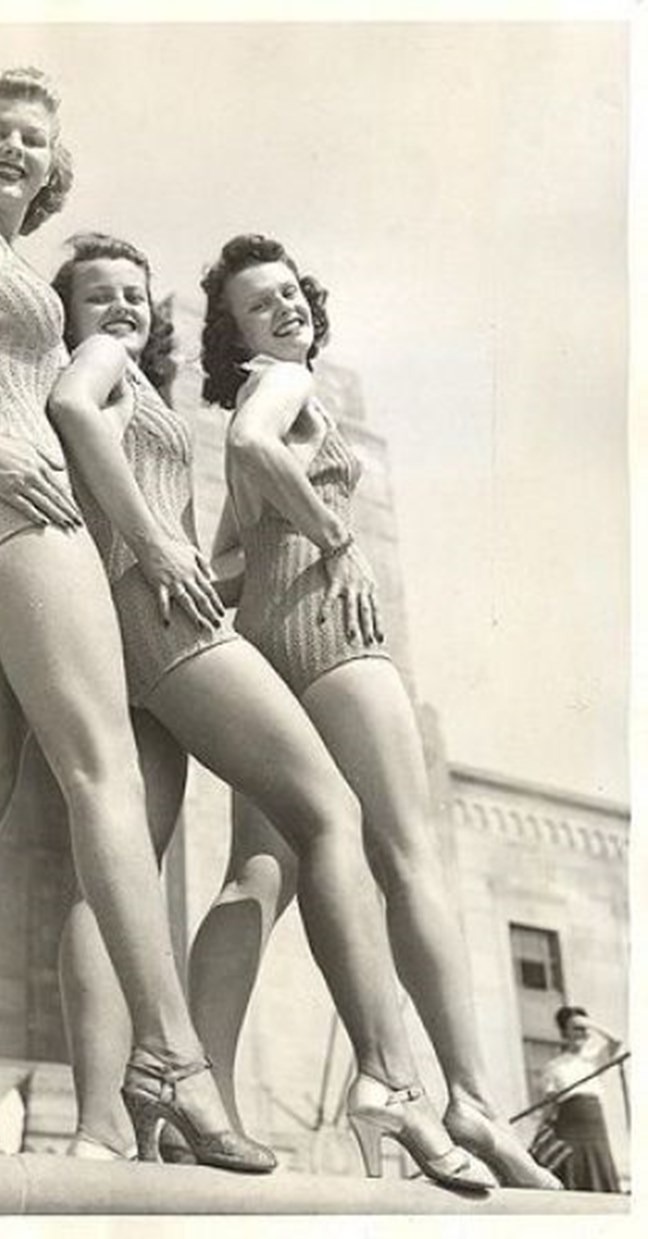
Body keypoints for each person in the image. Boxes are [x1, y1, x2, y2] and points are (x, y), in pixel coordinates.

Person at [0, 70, 273, 1173]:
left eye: (35, 138)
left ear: (54, 165)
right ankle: (169, 1052)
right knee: (102, 772)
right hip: (11, 511)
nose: (17, 150)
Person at [47, 232, 494, 1190]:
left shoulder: (141, 386)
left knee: (126, 862)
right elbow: (112, 419)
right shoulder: (132, 370)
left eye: (136, 294)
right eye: (99, 296)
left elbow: (225, 546)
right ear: (67, 315)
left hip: (127, 622)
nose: (123, 309)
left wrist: (196, 564)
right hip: (180, 619)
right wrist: (326, 539)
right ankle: (393, 1077)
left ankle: (108, 1122)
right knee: (333, 815)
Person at [191, 232, 562, 1190]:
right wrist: (335, 538)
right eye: (259, 305)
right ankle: (471, 1098)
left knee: (257, 872)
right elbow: (253, 445)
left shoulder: (259, 391)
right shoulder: (283, 385)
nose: (284, 309)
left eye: (289, 293)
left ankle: (198, 1094)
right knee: (408, 855)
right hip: (331, 629)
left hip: (267, 643)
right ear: (237, 336)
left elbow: (229, 556)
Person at [540, 1006, 623, 1192]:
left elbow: (617, 1040)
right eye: (575, 1028)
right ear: (564, 1032)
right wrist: (542, 1131)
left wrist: (589, 1023)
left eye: (583, 1029)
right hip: (568, 1124)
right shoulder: (553, 1066)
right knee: (572, 1171)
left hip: (593, 1122)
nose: (581, 1033)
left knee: (599, 1166)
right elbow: (549, 1105)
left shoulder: (594, 1059)